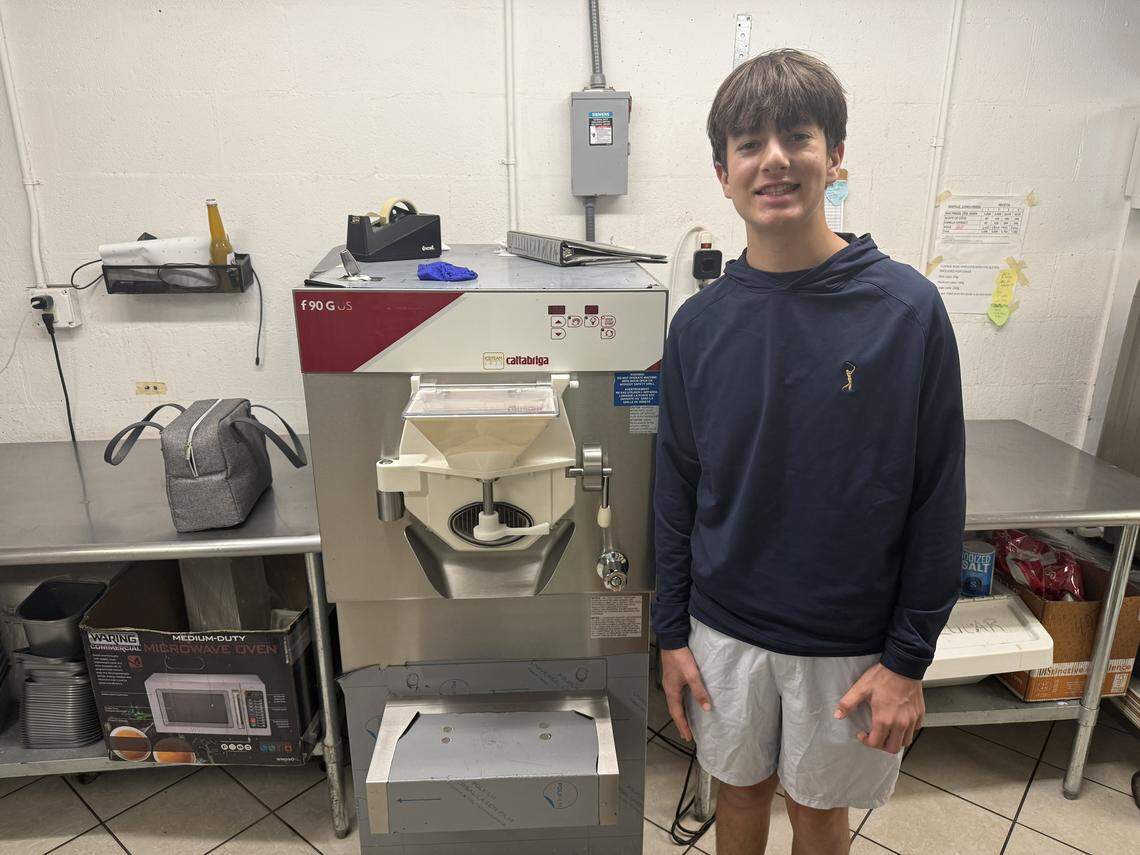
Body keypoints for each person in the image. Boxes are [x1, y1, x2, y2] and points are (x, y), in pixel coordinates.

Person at [652, 49, 966, 855]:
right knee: (740, 793)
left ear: (835, 157)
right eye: (749, 143)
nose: (775, 160)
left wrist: (907, 662)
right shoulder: (697, 326)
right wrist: (673, 634)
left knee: (820, 814)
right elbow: (677, 488)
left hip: (847, 639)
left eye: (798, 136)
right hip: (724, 629)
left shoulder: (907, 312)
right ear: (723, 172)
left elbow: (938, 497)